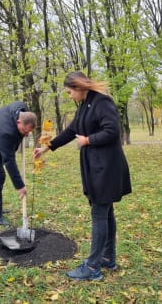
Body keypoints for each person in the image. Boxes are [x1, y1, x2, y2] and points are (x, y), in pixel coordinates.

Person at [33, 71, 131, 281]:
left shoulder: (102, 102)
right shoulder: (87, 105)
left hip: (106, 168)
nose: (69, 96)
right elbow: (71, 130)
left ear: (78, 87)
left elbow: (112, 130)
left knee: (99, 213)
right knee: (106, 213)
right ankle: (107, 259)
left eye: (69, 92)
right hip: (97, 167)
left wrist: (87, 140)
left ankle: (93, 267)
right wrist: (47, 147)